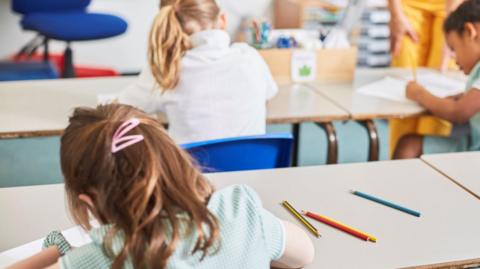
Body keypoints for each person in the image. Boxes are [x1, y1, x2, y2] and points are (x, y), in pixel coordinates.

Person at [8, 104, 314, 269]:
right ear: (174, 159)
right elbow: (303, 255)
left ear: (88, 201)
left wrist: (56, 253)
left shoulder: (104, 256)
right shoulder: (240, 209)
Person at [118, 0, 278, 144]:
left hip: (190, 175)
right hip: (253, 171)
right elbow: (268, 96)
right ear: (222, 20)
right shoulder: (250, 57)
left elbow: (119, 109)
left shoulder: (168, 69)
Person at [394, 0, 480, 159]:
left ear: (470, 32)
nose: (453, 57)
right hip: (473, 145)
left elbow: (458, 112)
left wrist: (420, 94)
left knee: (408, 145)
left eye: (453, 48)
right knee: (408, 144)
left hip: (475, 153)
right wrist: (463, 96)